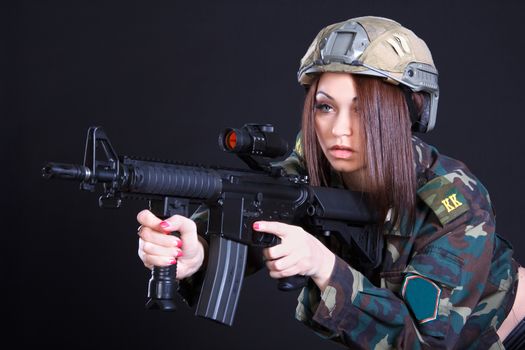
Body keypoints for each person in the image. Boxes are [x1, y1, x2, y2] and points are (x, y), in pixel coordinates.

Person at [136, 16, 524, 349]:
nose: (339, 130)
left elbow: (422, 343)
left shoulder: (455, 200)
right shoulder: (315, 162)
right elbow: (261, 209)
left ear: (408, 114)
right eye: (325, 106)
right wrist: (198, 251)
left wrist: (323, 264)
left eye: (363, 110)